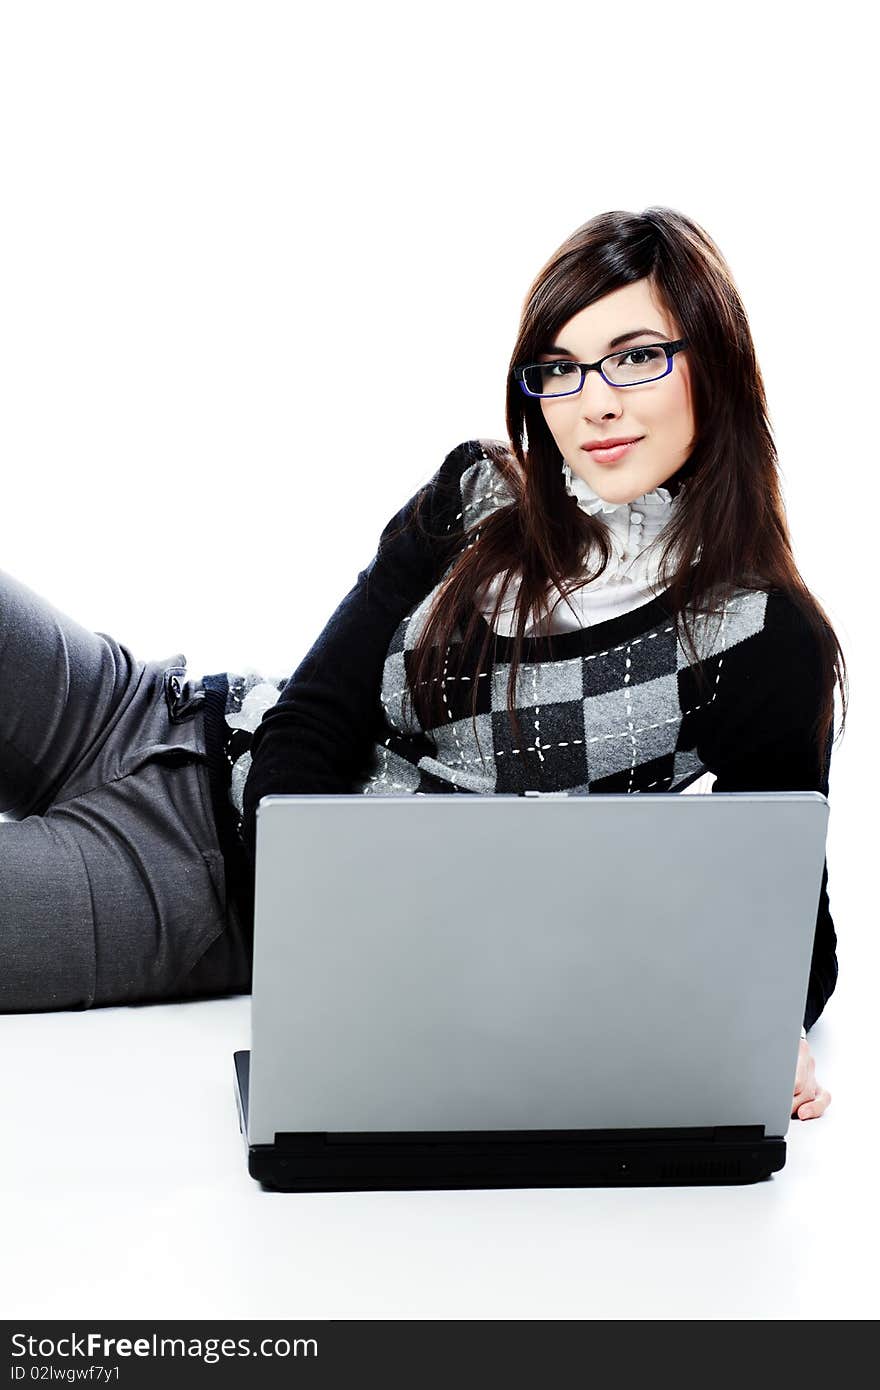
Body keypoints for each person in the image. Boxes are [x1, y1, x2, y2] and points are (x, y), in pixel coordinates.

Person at [1, 207, 847, 1124]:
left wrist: (770, 1024)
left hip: (189, 885)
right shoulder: (475, 495)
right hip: (146, 710)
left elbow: (790, 913)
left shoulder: (759, 641)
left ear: (713, 365)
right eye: (559, 369)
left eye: (637, 356)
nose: (594, 401)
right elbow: (311, 720)